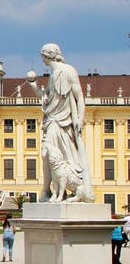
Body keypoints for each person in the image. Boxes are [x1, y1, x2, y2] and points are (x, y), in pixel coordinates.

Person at [33, 43, 94, 203]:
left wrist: (80, 119)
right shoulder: (53, 75)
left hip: (64, 122)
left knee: (53, 155)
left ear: (48, 56)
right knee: (47, 155)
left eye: (43, 56)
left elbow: (79, 97)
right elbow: (46, 98)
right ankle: (49, 191)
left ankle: (52, 191)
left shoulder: (68, 71)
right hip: (52, 119)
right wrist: (33, 86)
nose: (42, 59)